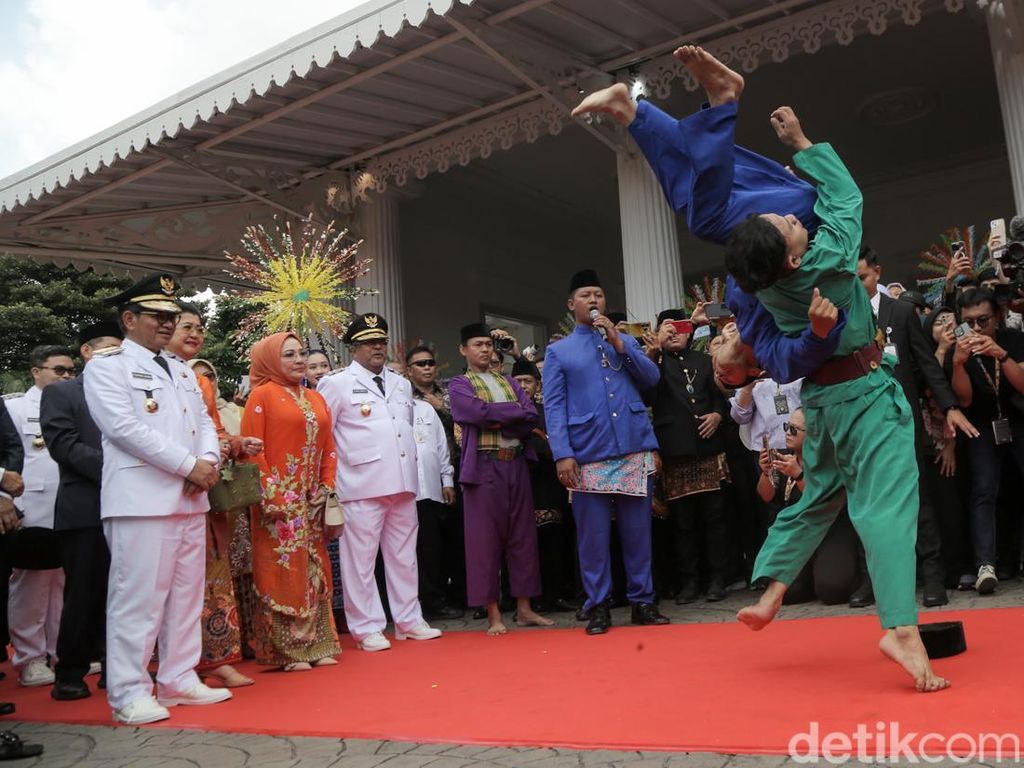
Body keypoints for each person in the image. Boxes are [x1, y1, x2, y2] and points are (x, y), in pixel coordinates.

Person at [84, 274, 229, 724]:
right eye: (157, 316)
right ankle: (128, 691)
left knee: (187, 595)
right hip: (142, 499)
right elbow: (123, 428)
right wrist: (189, 466)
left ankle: (179, 677)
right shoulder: (107, 366)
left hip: (189, 496)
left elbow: (205, 422)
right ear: (129, 319)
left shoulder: (183, 369)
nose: (168, 324)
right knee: (139, 597)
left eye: (171, 316)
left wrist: (206, 461)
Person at [542, 269, 668, 635]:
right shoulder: (558, 351)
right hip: (586, 452)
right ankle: (598, 606)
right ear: (571, 305)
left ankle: (643, 601)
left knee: (638, 531)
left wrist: (620, 344)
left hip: (632, 444)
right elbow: (553, 406)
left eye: (598, 294)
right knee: (593, 537)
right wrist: (562, 453)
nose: (593, 300)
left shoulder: (623, 341)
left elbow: (652, 380)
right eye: (586, 295)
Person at [854, 246, 976, 608]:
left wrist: (950, 406)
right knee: (868, 508)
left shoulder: (901, 312)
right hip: (863, 428)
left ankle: (933, 577)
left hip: (902, 423)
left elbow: (925, 366)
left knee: (919, 504)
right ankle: (870, 579)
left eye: (860, 277)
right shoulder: (842, 319)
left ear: (876, 273)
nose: (855, 285)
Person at [317, 313, 441, 651]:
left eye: (381, 341)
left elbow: (404, 429)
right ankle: (367, 625)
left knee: (404, 555)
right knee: (360, 559)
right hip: (360, 481)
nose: (377, 347)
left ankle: (408, 620)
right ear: (353, 347)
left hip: (401, 481)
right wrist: (327, 482)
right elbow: (325, 436)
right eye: (370, 342)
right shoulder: (336, 382)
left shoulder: (401, 382)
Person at [166, 304, 262, 687]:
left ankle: (213, 660)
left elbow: (213, 431)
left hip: (203, 490)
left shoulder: (197, 381)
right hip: (164, 486)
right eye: (186, 327)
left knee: (212, 578)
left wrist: (234, 445)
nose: (195, 333)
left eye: (199, 327)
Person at [240, 332, 341, 670]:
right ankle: (288, 650)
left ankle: (318, 643)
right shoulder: (261, 396)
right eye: (288, 355)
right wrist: (274, 496)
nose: (298, 360)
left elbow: (330, 447)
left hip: (311, 499)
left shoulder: (315, 397)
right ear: (270, 360)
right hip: (278, 502)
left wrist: (326, 487)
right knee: (283, 567)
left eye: (301, 353)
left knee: (314, 568)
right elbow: (253, 453)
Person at [449, 325, 552, 635]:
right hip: (483, 467)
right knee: (485, 541)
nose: (485, 350)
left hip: (516, 463)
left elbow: (531, 415)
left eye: (488, 345)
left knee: (523, 536)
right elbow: (472, 413)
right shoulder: (459, 383)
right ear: (463, 350)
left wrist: (498, 417)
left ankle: (524, 609)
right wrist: (512, 415)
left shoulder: (508, 381)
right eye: (477, 344)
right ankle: (493, 613)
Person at [40, 321, 122, 701]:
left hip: (127, 505)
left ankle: (116, 668)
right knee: (83, 593)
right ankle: (69, 672)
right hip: (84, 507)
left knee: (122, 592)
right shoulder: (62, 393)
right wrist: (119, 469)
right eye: (107, 348)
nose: (115, 355)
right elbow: (64, 446)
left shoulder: (126, 392)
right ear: (86, 352)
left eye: (119, 349)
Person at [5, 345, 74, 689]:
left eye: (70, 371)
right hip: (31, 508)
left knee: (62, 583)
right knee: (31, 585)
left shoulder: (75, 405)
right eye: (58, 370)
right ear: (36, 371)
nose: (65, 376)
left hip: (68, 507)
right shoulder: (16, 408)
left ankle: (60, 651)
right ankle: (29, 657)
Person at [948, 287, 1024, 594]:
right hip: (980, 424)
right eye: (969, 322)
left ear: (998, 317)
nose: (977, 329)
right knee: (983, 490)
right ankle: (984, 565)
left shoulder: (1013, 341)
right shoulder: (961, 349)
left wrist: (1000, 354)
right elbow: (963, 400)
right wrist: (957, 363)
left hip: (1017, 420)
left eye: (983, 321)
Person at [755, 408, 858, 605]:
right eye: (787, 427)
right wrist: (765, 472)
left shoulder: (830, 459)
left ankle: (844, 573)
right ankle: (811, 575)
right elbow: (765, 496)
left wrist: (799, 475)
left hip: (831, 529)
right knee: (787, 594)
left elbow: (823, 501)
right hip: (801, 532)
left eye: (794, 430)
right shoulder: (786, 456)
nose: (787, 433)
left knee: (832, 592)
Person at [511, 358, 576, 613]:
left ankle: (555, 594)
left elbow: (556, 444)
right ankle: (527, 598)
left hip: (548, 485)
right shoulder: (506, 411)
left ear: (538, 385)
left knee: (553, 541)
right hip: (519, 484)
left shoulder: (548, 411)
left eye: (528, 381)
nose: (524, 386)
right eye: (518, 381)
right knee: (522, 545)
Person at [411, 397, 462, 621]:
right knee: (401, 554)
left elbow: (441, 447)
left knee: (431, 549)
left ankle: (434, 603)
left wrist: (447, 480)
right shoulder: (380, 411)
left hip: (429, 490)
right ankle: (404, 606)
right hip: (398, 492)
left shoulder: (425, 409)